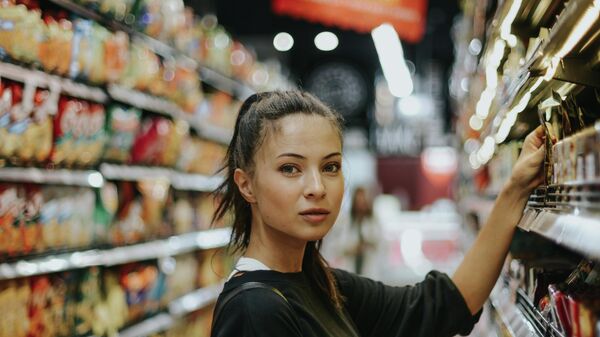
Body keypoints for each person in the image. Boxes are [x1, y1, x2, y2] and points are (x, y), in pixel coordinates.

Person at [210, 90, 545, 337]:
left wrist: (515, 190)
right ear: (247, 185)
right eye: (290, 168)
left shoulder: (322, 284)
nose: (317, 187)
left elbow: (443, 306)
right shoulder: (255, 312)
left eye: (330, 167)